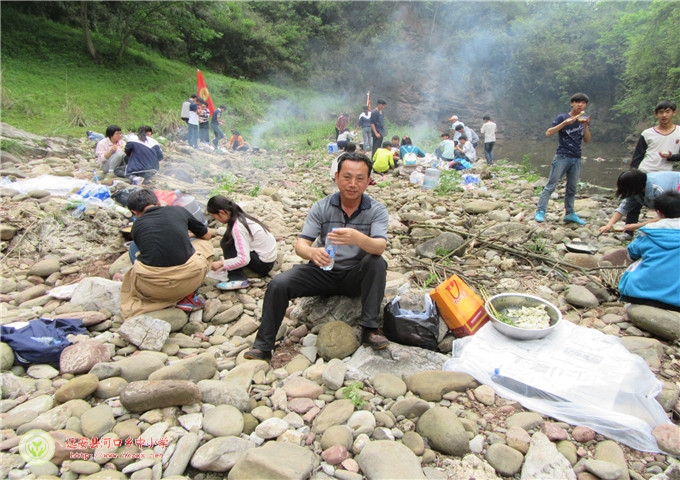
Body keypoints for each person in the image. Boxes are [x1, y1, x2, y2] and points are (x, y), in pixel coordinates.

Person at [243, 152, 390, 361]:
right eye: (347, 177)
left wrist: (357, 238)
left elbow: (379, 247)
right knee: (278, 284)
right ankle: (263, 347)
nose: (352, 184)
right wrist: (313, 252)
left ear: (368, 181)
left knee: (376, 262)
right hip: (323, 271)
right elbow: (301, 245)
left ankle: (369, 329)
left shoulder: (376, 210)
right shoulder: (322, 207)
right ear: (336, 177)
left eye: (360, 178)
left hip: (355, 276)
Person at [120, 189, 213, 319]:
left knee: (134, 247)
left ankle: (155, 298)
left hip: (153, 289)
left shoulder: (136, 226)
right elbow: (207, 236)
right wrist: (187, 235)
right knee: (204, 244)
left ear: (134, 212)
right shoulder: (178, 211)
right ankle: (189, 296)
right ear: (158, 203)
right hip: (188, 281)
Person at [622, 101, 680, 241]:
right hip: (645, 171)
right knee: (634, 202)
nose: (664, 115)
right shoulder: (647, 133)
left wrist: (671, 157)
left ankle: (663, 232)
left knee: (666, 206)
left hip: (665, 175)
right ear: (656, 114)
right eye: (661, 112)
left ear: (674, 112)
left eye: (667, 111)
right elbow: (638, 156)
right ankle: (628, 231)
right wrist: (633, 173)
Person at [534, 92, 592, 225]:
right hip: (562, 156)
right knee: (551, 185)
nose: (580, 104)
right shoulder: (562, 117)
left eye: (583, 103)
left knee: (572, 188)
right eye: (577, 102)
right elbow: (548, 133)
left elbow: (587, 140)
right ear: (572, 103)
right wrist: (565, 123)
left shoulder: (583, 119)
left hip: (576, 157)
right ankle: (540, 210)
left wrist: (586, 126)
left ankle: (570, 213)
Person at [618, 190, 680, 312]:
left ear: (659, 212)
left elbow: (632, 254)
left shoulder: (648, 231)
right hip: (676, 301)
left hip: (640, 294)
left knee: (638, 260)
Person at [206, 195, 278, 291]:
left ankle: (237, 279)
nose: (216, 220)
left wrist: (222, 263)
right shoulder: (240, 216)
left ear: (221, 212)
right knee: (227, 239)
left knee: (228, 243)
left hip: (263, 264)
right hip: (268, 259)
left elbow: (244, 259)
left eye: (214, 217)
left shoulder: (238, 227)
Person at [599, 170, 680, 235]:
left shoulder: (659, 191)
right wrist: (609, 225)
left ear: (635, 187)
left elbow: (666, 216)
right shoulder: (635, 188)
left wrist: (638, 226)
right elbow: (624, 206)